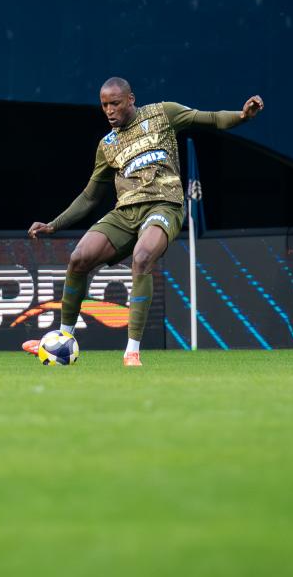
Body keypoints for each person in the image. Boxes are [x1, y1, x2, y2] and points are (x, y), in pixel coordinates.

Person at [26, 78, 264, 367]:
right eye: (104, 105)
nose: (109, 110)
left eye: (115, 103)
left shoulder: (163, 113)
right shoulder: (107, 145)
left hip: (164, 204)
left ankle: (132, 351)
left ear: (131, 99)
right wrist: (54, 224)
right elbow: (90, 196)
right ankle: (62, 339)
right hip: (125, 212)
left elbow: (211, 119)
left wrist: (242, 116)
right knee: (79, 258)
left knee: (142, 257)